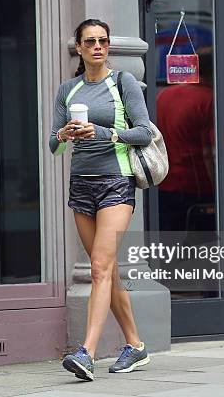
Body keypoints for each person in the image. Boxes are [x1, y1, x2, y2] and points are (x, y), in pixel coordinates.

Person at [49, 19, 153, 381]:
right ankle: (136, 346)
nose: (98, 46)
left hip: (116, 184)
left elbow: (144, 131)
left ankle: (86, 353)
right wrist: (63, 134)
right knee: (106, 271)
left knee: (98, 267)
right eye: (90, 41)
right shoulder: (68, 89)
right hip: (81, 185)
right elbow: (53, 146)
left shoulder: (123, 82)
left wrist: (105, 132)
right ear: (78, 47)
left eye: (103, 41)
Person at [155, 47, 215, 232]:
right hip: (196, 187)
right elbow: (211, 153)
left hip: (164, 182)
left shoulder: (163, 96)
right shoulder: (210, 99)